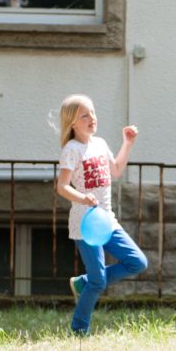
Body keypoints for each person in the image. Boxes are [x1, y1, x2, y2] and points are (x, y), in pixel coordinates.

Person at [55, 94, 148, 335]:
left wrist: (127, 143)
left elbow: (116, 170)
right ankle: (79, 329)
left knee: (137, 262)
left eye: (93, 113)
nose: (91, 118)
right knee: (99, 282)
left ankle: (83, 282)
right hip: (85, 224)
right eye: (84, 115)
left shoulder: (100, 143)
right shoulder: (71, 150)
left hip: (107, 221)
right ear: (72, 123)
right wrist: (82, 198)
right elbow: (62, 187)